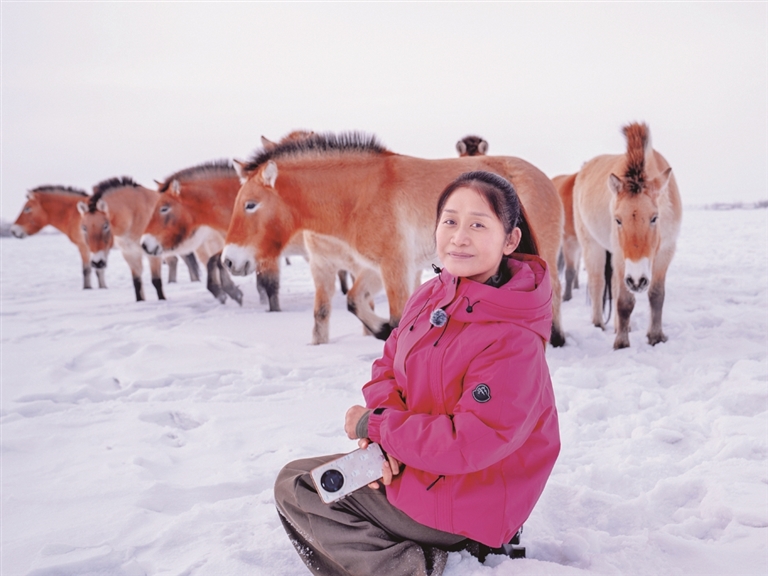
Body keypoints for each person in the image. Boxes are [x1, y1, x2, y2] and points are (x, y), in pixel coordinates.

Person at [274, 171, 560, 576]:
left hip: (474, 496)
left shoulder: (512, 338)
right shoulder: (432, 294)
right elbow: (388, 367)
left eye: (478, 224)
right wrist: (384, 443)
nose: (459, 236)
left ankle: (421, 567)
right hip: (422, 464)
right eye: (450, 221)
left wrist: (377, 427)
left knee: (301, 489)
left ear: (510, 240)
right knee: (302, 478)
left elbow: (470, 441)